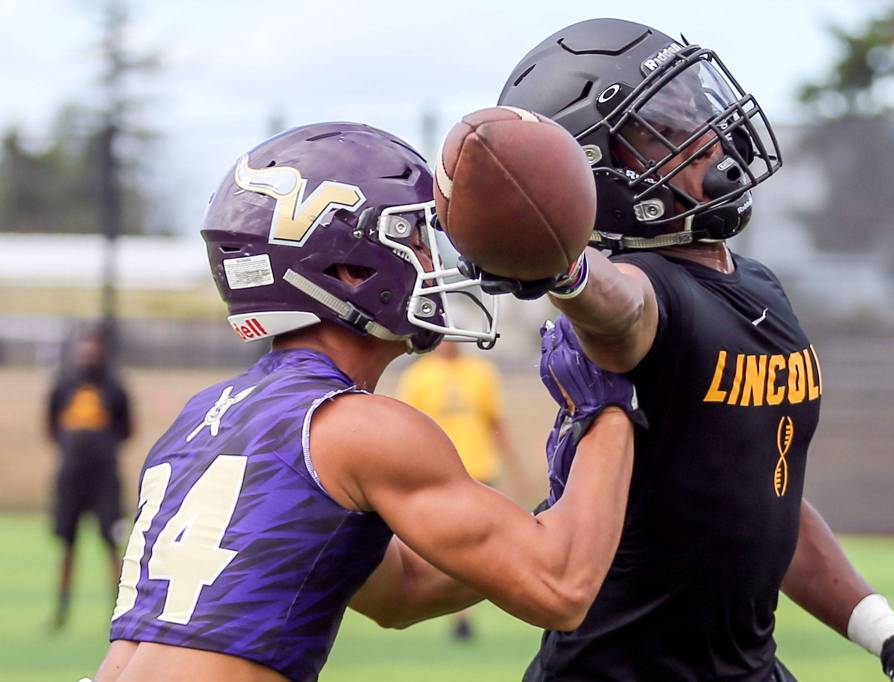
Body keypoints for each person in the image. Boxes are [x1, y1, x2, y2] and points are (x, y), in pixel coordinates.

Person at [468, 18, 894, 681]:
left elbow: (762, 496)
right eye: (663, 132)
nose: (705, 136)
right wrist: (565, 266)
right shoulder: (649, 295)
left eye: (692, 109)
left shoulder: (756, 283)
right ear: (592, 175)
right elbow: (621, 309)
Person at [91, 122, 642, 682]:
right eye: (417, 241)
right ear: (349, 270)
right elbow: (562, 586)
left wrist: (563, 512)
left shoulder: (206, 415)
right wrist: (609, 405)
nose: (436, 264)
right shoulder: (356, 426)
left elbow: (403, 590)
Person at [397, 340, 529, 640]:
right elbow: (407, 429)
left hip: (480, 471)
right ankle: (459, 614)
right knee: (449, 547)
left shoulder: (481, 373)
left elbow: (496, 423)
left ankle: (466, 615)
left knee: (480, 547)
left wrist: (517, 471)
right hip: (439, 475)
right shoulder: (418, 376)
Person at [47, 326, 132, 630]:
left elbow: (126, 429)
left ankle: (119, 611)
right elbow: (51, 427)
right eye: (84, 345)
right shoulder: (63, 386)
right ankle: (61, 611)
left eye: (94, 345)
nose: (89, 351)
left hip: (105, 478)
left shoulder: (114, 388)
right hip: (71, 477)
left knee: (112, 542)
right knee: (67, 543)